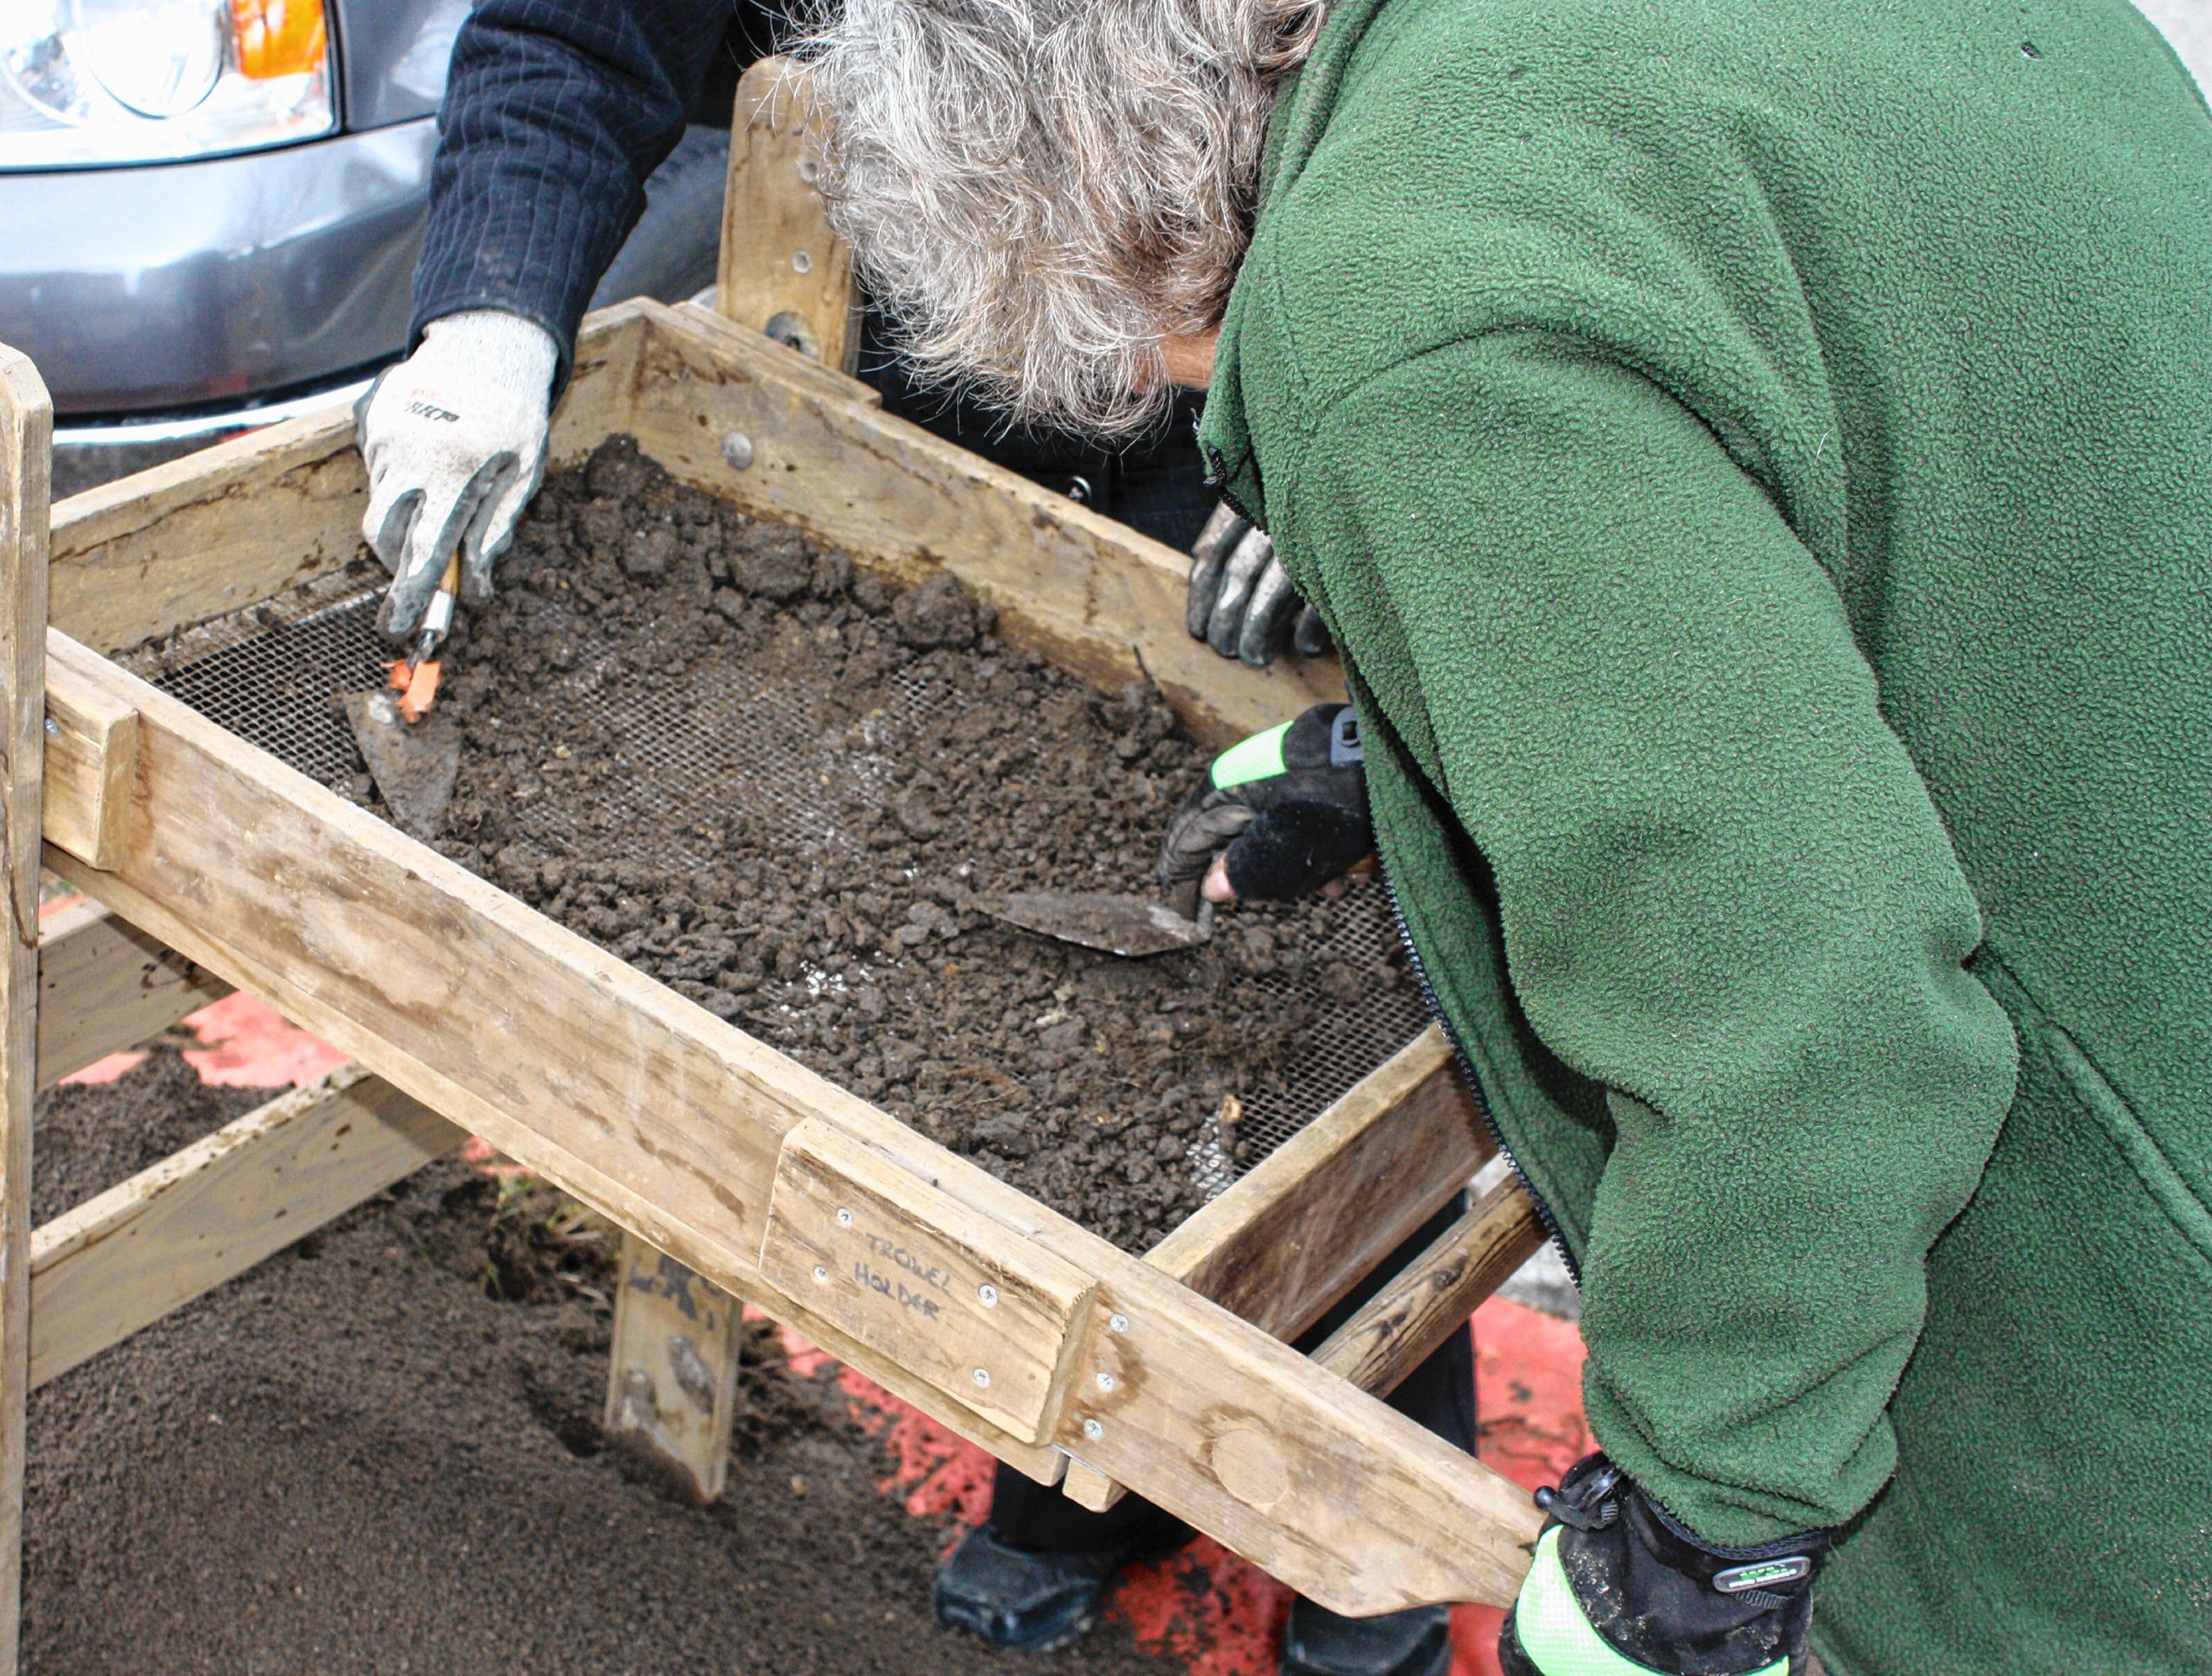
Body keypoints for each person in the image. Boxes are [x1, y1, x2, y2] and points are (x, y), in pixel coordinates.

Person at [801, 2, 2212, 1674]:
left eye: (1121, 363)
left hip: (2129, 1292)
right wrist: (1410, 754)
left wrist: (1711, 1528)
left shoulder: (1402, 308)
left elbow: (1817, 1022)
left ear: (1108, 227)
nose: (1154, 400)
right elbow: (1825, 493)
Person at [357, 6, 1455, 1673]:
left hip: (1268, 421)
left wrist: (1341, 425)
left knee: (1324, 957)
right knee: (1052, 978)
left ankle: (1375, 1511)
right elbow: (575, 35)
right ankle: (1090, 1483)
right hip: (979, 351)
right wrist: (489, 326)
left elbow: (1463, 132)